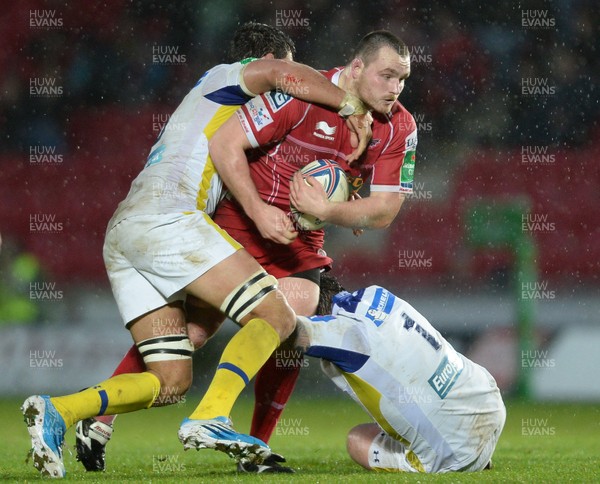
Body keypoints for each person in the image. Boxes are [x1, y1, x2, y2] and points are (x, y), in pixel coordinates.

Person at [21, 22, 370, 478]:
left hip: (127, 230)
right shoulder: (234, 75)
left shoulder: (218, 103)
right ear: (265, 60)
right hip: (170, 215)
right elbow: (288, 78)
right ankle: (212, 419)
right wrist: (351, 103)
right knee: (278, 314)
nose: (292, 94)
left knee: (171, 380)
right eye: (284, 70)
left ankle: (58, 411)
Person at [207, 30, 417, 456]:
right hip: (240, 221)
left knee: (292, 323)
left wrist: (332, 209)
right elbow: (226, 142)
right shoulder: (301, 89)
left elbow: (384, 210)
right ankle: (96, 419)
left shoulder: (400, 126)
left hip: (300, 240)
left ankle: (252, 444)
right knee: (188, 334)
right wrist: (259, 210)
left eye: (403, 79)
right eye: (387, 76)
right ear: (356, 68)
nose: (395, 88)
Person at [292, 284, 506, 473]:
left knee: (356, 439)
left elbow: (289, 329)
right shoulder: (376, 293)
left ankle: (465, 453)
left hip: (454, 454)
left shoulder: (343, 332)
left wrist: (265, 298)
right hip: (490, 401)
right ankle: (474, 443)